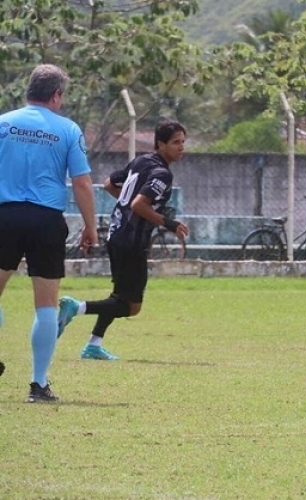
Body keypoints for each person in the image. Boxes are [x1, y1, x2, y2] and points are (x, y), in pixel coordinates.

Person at [0, 64, 98, 402]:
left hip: (5, 215)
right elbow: (83, 183)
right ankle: (38, 385)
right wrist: (90, 226)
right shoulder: (68, 129)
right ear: (56, 95)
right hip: (46, 220)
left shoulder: (3, 123)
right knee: (46, 305)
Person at [56, 119, 189, 360]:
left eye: (183, 142)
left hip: (117, 234)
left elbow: (109, 184)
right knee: (132, 306)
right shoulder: (162, 173)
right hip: (132, 241)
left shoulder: (141, 161)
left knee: (119, 296)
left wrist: (128, 205)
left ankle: (93, 345)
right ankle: (77, 307)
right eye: (175, 142)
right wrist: (169, 223)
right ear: (161, 144)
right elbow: (139, 204)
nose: (181, 147)